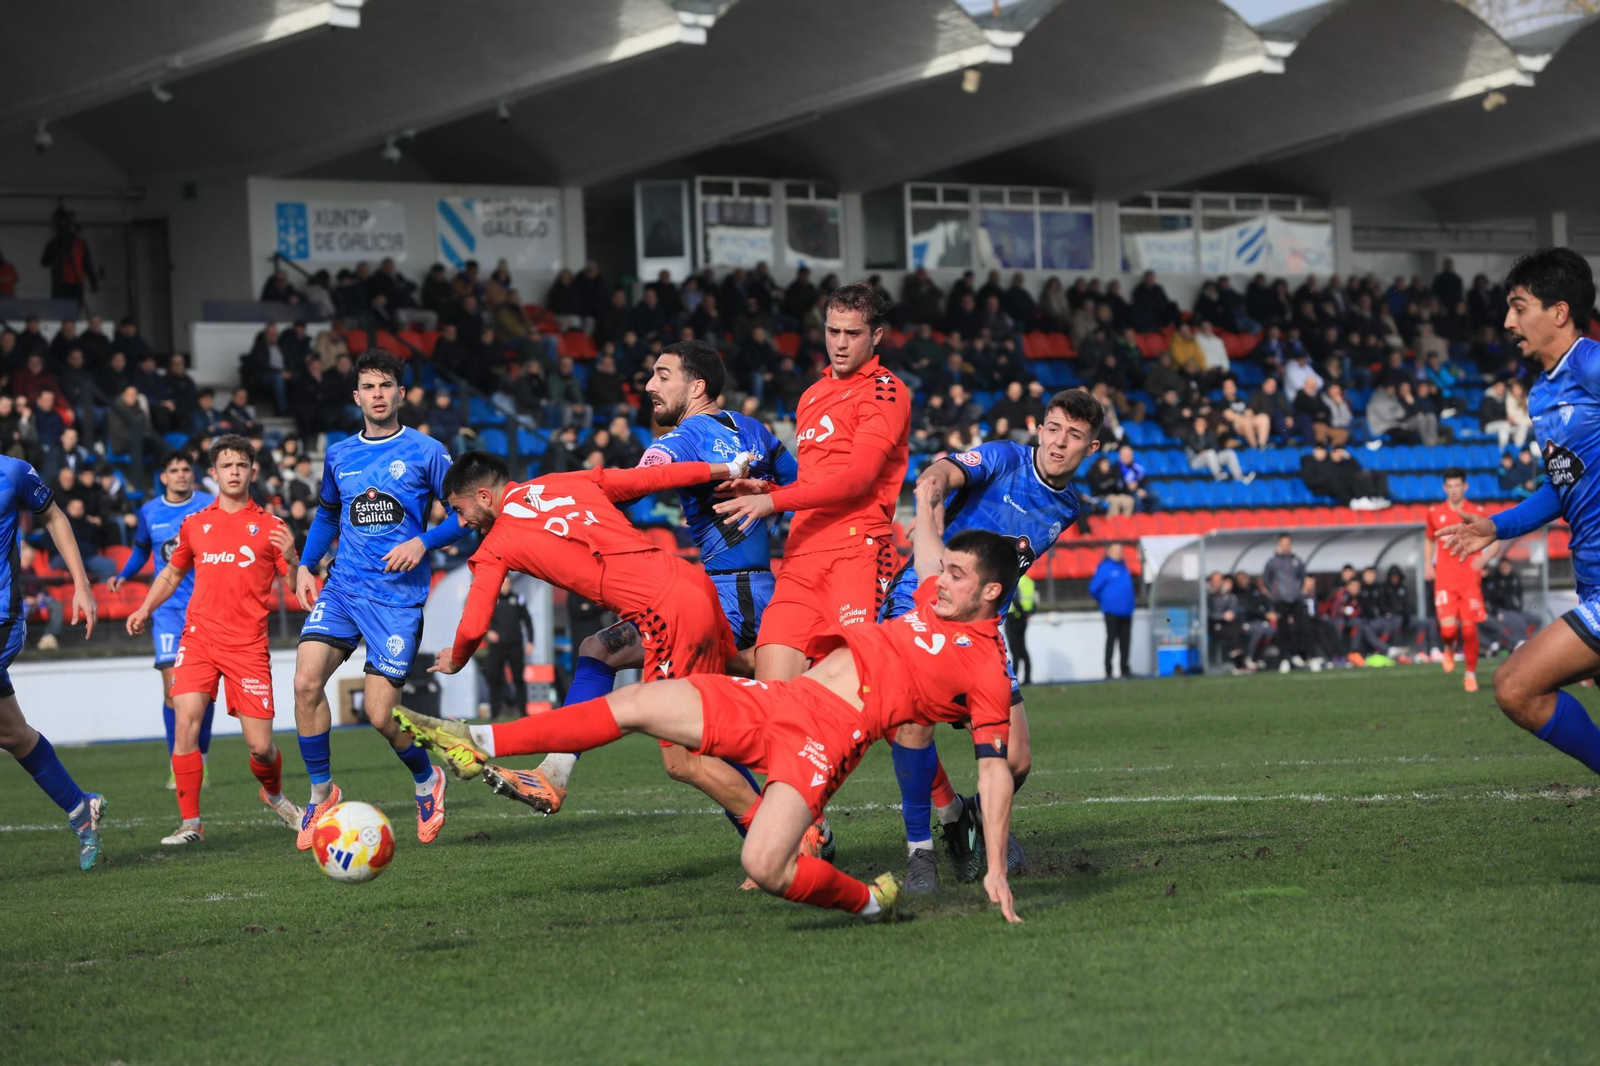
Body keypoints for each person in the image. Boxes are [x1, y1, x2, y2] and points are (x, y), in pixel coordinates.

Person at [398, 525, 1026, 924]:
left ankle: (868, 901)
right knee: (643, 701)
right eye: (942, 569)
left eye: (956, 575)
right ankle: (475, 739)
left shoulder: (988, 671)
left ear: (992, 594)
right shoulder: (933, 598)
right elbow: (923, 548)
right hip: (782, 700)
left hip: (827, 742)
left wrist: (994, 865)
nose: (938, 583)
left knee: (766, 866)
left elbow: (995, 772)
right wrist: (924, 504)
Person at [506, 339, 797, 820]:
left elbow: (631, 487)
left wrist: (548, 505)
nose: (649, 386)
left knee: (692, 747)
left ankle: (788, 836)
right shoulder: (756, 429)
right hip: (747, 590)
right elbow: (803, 486)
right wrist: (765, 489)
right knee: (610, 657)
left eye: (663, 376)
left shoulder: (678, 441)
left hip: (728, 596)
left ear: (697, 386)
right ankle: (554, 771)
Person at [411, 449, 766, 830]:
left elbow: (474, 625)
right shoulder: (563, 481)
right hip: (693, 584)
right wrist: (727, 467)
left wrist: (457, 658)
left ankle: (784, 835)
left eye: (460, 511)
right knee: (599, 650)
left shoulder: (497, 544)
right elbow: (648, 478)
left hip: (666, 615)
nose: (461, 523)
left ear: (483, 496)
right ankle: (555, 770)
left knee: (685, 759)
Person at [878, 389, 1099, 893]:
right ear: (1040, 427)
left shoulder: (1067, 507)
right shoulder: (1003, 458)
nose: (1060, 443)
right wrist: (929, 503)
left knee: (1016, 759)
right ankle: (921, 853)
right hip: (929, 595)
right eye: (1054, 428)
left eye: (1075, 436)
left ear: (1092, 447)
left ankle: (967, 819)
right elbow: (939, 474)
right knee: (912, 723)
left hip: (983, 622)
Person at [712, 283, 909, 805]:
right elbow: (817, 482)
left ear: (877, 336)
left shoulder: (886, 392)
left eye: (852, 333)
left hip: (857, 554)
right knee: (777, 705)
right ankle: (807, 835)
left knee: (862, 706)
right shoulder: (811, 395)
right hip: (801, 558)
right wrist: (770, 490)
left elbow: (857, 481)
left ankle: (943, 810)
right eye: (832, 331)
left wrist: (772, 503)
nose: (840, 343)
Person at [289, 350, 472, 851]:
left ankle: (425, 779)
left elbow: (466, 512)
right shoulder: (340, 454)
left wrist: (423, 542)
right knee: (306, 682)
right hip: (344, 589)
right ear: (356, 396)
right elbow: (328, 514)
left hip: (397, 601)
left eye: (386, 386)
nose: (377, 394)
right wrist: (307, 564)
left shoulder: (427, 451)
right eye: (368, 387)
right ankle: (322, 791)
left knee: (379, 716)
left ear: (400, 393)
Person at [1440, 248, 1600, 783]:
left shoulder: (1590, 364)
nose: (1509, 321)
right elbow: (1560, 491)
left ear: (1558, 311)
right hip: (1589, 582)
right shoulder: (1541, 395)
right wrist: (1495, 526)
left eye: (1519, 306)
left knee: (1516, 685)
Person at [125, 437, 303, 844]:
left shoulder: (273, 528)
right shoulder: (195, 524)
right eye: (227, 466)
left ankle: (275, 796)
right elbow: (170, 574)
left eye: (242, 465)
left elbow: (295, 587)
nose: (235, 472)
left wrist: (293, 557)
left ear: (253, 472)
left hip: (247, 647)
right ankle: (191, 824)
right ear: (214, 474)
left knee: (260, 748)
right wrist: (144, 608)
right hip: (199, 639)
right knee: (185, 720)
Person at [0, 452, 105, 868]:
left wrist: (81, 584)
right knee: (13, 735)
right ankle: (82, 810)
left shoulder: (14, 472)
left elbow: (55, 517)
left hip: (3, 618)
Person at [107, 452, 217, 787]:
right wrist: (125, 575)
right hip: (168, 612)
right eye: (175, 471)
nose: (182, 475)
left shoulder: (210, 505)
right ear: (164, 477)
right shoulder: (149, 511)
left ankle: (201, 759)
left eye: (186, 470)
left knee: (204, 693)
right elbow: (142, 549)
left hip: (206, 609)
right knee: (173, 691)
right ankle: (178, 762)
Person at [1426, 468, 1491, 692]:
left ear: (1465, 487)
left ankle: (1470, 676)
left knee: (1471, 631)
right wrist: (1428, 564)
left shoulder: (1476, 512)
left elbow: (1495, 540)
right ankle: (1450, 647)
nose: (1454, 490)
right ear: (1445, 488)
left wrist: (1485, 560)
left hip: (1470, 581)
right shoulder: (1434, 513)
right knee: (1448, 631)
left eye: (1458, 486)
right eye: (1450, 486)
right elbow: (1429, 539)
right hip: (1444, 580)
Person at [1263, 534, 1319, 671]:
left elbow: (1302, 577)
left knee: (1305, 628)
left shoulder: (1297, 561)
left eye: (1287, 543)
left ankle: (1311, 657)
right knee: (1283, 631)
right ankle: (1284, 660)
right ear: (1279, 544)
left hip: (1297, 600)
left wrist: (1298, 592)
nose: (1285, 546)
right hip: (1281, 601)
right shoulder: (1272, 562)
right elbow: (1267, 580)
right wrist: (1276, 593)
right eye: (1283, 543)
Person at [483, 576, 533, 715]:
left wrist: (530, 641)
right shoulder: (492, 600)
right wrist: (489, 633)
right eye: (504, 583)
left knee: (518, 678)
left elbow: (528, 621)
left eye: (508, 583)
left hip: (515, 644)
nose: (506, 586)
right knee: (494, 678)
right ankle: (495, 712)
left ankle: (523, 711)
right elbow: (483, 620)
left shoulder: (518, 599)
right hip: (497, 646)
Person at [1089, 542, 1135, 679]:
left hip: (1126, 610)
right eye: (1116, 550)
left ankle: (1125, 669)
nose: (1119, 553)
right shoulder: (1105, 568)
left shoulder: (1124, 567)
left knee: (1125, 641)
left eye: (1121, 550)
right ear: (1109, 552)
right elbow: (1093, 589)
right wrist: (1105, 601)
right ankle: (1108, 670)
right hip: (1112, 611)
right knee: (1111, 640)